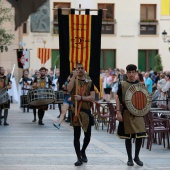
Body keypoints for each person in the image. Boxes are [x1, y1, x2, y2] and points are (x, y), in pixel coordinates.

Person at [115, 64, 147, 167]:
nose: (131, 74)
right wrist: (118, 112)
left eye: (133, 72)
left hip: (138, 114)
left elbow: (145, 99)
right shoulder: (123, 84)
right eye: (129, 72)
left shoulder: (140, 85)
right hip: (126, 113)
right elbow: (118, 98)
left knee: (140, 135)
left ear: (136, 73)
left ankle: (136, 157)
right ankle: (129, 158)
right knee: (128, 137)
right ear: (127, 73)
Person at [67, 62, 95, 166]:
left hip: (86, 111)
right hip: (76, 112)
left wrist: (82, 98)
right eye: (78, 68)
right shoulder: (73, 81)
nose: (80, 70)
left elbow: (92, 97)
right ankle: (78, 157)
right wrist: (73, 76)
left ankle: (83, 150)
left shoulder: (90, 82)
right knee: (76, 135)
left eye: (81, 68)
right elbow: (69, 89)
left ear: (84, 69)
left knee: (88, 136)